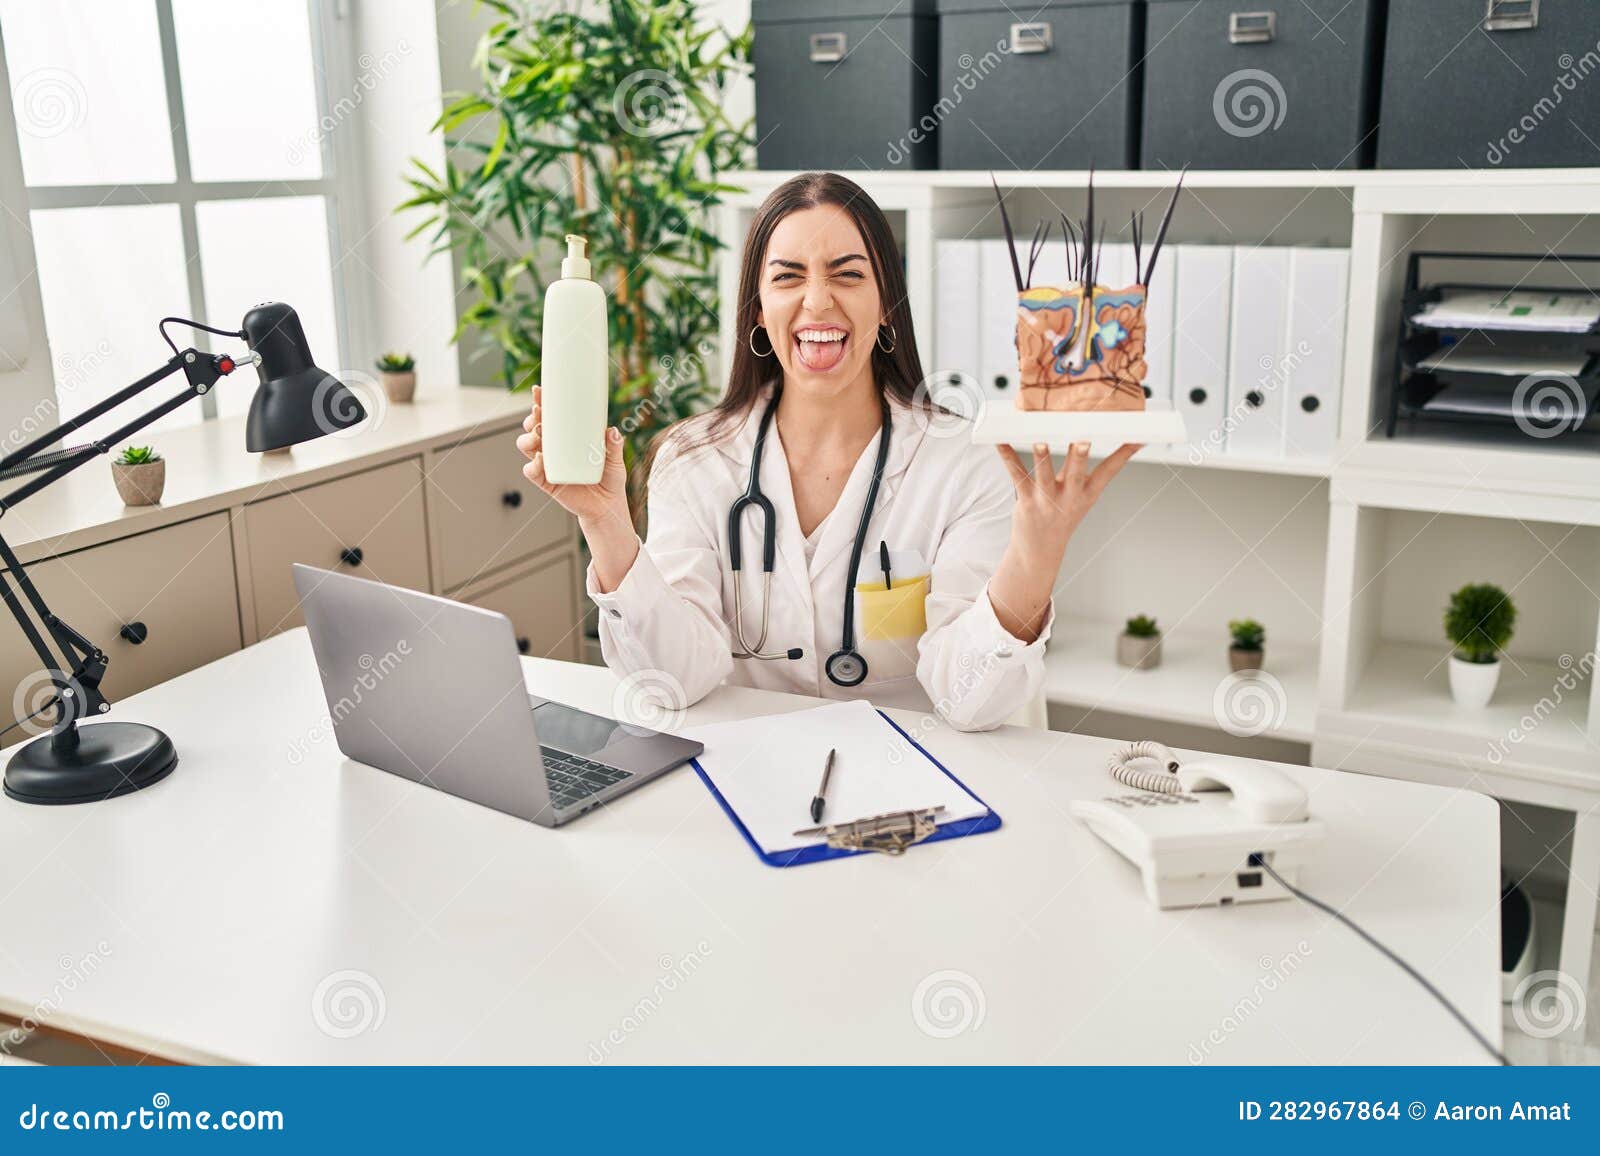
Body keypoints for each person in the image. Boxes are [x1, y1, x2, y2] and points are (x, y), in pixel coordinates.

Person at [517, 172, 1140, 731]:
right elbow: (674, 682)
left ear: (886, 304)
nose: (817, 301)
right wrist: (604, 522)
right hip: (751, 786)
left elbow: (968, 700)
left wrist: (1036, 557)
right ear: (758, 312)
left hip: (916, 801)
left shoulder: (965, 465)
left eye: (848, 274)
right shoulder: (693, 460)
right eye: (787, 277)